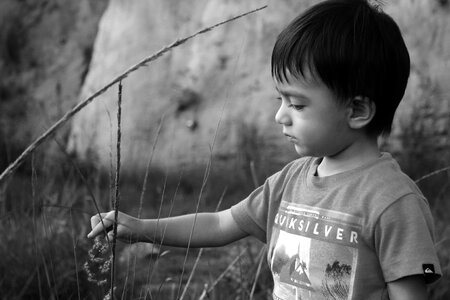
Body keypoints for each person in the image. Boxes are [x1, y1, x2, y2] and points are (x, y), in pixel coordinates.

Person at [88, 0, 442, 299]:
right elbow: (220, 223)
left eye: (298, 105)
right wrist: (141, 228)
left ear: (357, 111)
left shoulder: (393, 203)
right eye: (280, 100)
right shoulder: (290, 181)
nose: (280, 116)